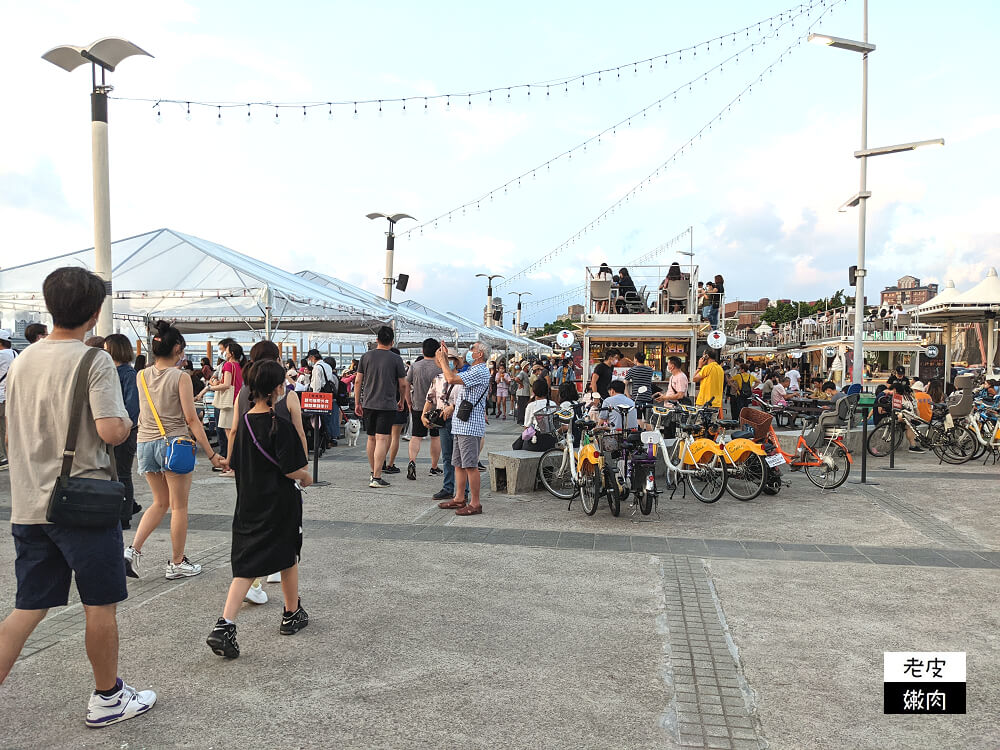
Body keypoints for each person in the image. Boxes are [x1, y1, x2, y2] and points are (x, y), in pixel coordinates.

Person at [0, 266, 156, 725]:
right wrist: (127, 422)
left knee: (27, 607)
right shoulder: (95, 360)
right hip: (82, 504)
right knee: (99, 604)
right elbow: (110, 429)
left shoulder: (24, 358)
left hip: (30, 503)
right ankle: (107, 697)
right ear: (93, 312)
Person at [205, 361, 312, 660]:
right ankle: (291, 615)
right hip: (280, 505)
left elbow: (235, 464)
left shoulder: (244, 424)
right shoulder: (282, 425)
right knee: (288, 553)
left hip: (248, 504)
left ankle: (225, 624)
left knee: (246, 565)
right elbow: (293, 470)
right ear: (279, 388)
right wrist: (307, 477)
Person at [124, 321, 225, 580]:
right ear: (178, 348)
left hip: (145, 443)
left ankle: (132, 551)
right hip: (174, 444)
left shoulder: (141, 375)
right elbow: (192, 420)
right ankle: (177, 562)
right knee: (179, 506)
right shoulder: (181, 377)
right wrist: (212, 454)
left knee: (160, 502)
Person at [229, 340, 309, 596]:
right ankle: (288, 604)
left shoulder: (244, 393)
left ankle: (252, 585)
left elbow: (233, 430)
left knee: (254, 531)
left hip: (250, 473)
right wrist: (303, 468)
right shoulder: (287, 395)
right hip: (279, 477)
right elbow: (299, 432)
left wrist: (230, 460)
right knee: (283, 537)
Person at [434, 341, 491, 515]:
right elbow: (457, 370)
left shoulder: (480, 371)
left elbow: (450, 378)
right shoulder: (473, 369)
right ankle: (459, 497)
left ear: (479, 354)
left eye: (472, 349)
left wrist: (443, 360)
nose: (468, 352)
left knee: (470, 465)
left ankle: (475, 503)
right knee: (458, 463)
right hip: (461, 423)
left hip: (469, 425)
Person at [355, 327, 408, 488]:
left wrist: (358, 402)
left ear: (377, 340)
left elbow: (358, 381)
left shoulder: (365, 357)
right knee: (382, 438)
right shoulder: (396, 359)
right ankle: (377, 477)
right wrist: (402, 401)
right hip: (387, 404)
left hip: (369, 403)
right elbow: (403, 384)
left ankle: (373, 472)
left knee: (371, 438)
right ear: (392, 342)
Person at [103, 334, 142, 529]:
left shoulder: (127, 373)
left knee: (123, 473)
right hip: (116, 430)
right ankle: (125, 508)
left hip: (125, 432)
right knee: (118, 472)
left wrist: (123, 427)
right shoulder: (113, 371)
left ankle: (125, 514)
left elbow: (132, 406)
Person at [426, 354, 466, 503]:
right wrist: (424, 415)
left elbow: (468, 398)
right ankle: (448, 487)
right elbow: (431, 398)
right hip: (443, 421)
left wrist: (453, 407)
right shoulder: (438, 378)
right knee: (448, 456)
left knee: (462, 457)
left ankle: (464, 491)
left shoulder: (463, 377)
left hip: (460, 420)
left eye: (450, 359)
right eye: (444, 359)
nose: (447, 362)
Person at [406, 338, 443, 480]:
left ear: (422, 350)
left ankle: (412, 461)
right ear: (436, 351)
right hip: (437, 408)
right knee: (435, 437)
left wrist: (408, 401)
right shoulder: (440, 366)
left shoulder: (414, 366)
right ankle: (434, 466)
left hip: (418, 406)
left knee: (416, 436)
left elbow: (406, 384)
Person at [207, 339, 244, 475]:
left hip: (228, 403)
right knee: (234, 435)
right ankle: (234, 464)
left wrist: (211, 387)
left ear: (231, 353)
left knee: (231, 436)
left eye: (226, 351)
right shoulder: (239, 366)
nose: (224, 353)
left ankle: (233, 466)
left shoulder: (228, 365)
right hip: (236, 400)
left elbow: (227, 384)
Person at [385, 347, 411, 472]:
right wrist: (405, 402)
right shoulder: (401, 371)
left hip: (383, 405)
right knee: (395, 437)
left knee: (383, 436)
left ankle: (380, 463)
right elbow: (404, 386)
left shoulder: (382, 369)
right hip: (398, 404)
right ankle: (390, 464)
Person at [693, 349, 725, 415]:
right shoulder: (720, 368)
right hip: (716, 402)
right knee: (711, 423)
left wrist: (699, 366)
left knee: (700, 423)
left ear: (706, 356)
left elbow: (694, 379)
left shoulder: (707, 368)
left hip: (705, 402)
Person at [0, 329, 15, 471]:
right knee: (6, 429)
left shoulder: (1, 355)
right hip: (8, 396)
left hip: (0, 397)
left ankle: (3, 458)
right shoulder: (15, 353)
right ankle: (8, 457)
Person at [625, 351, 654, 418]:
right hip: (648, 397)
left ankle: (640, 428)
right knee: (648, 419)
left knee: (638, 418)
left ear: (636, 359)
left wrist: (628, 395)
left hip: (637, 397)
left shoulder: (632, 370)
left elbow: (625, 383)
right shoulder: (650, 370)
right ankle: (648, 429)